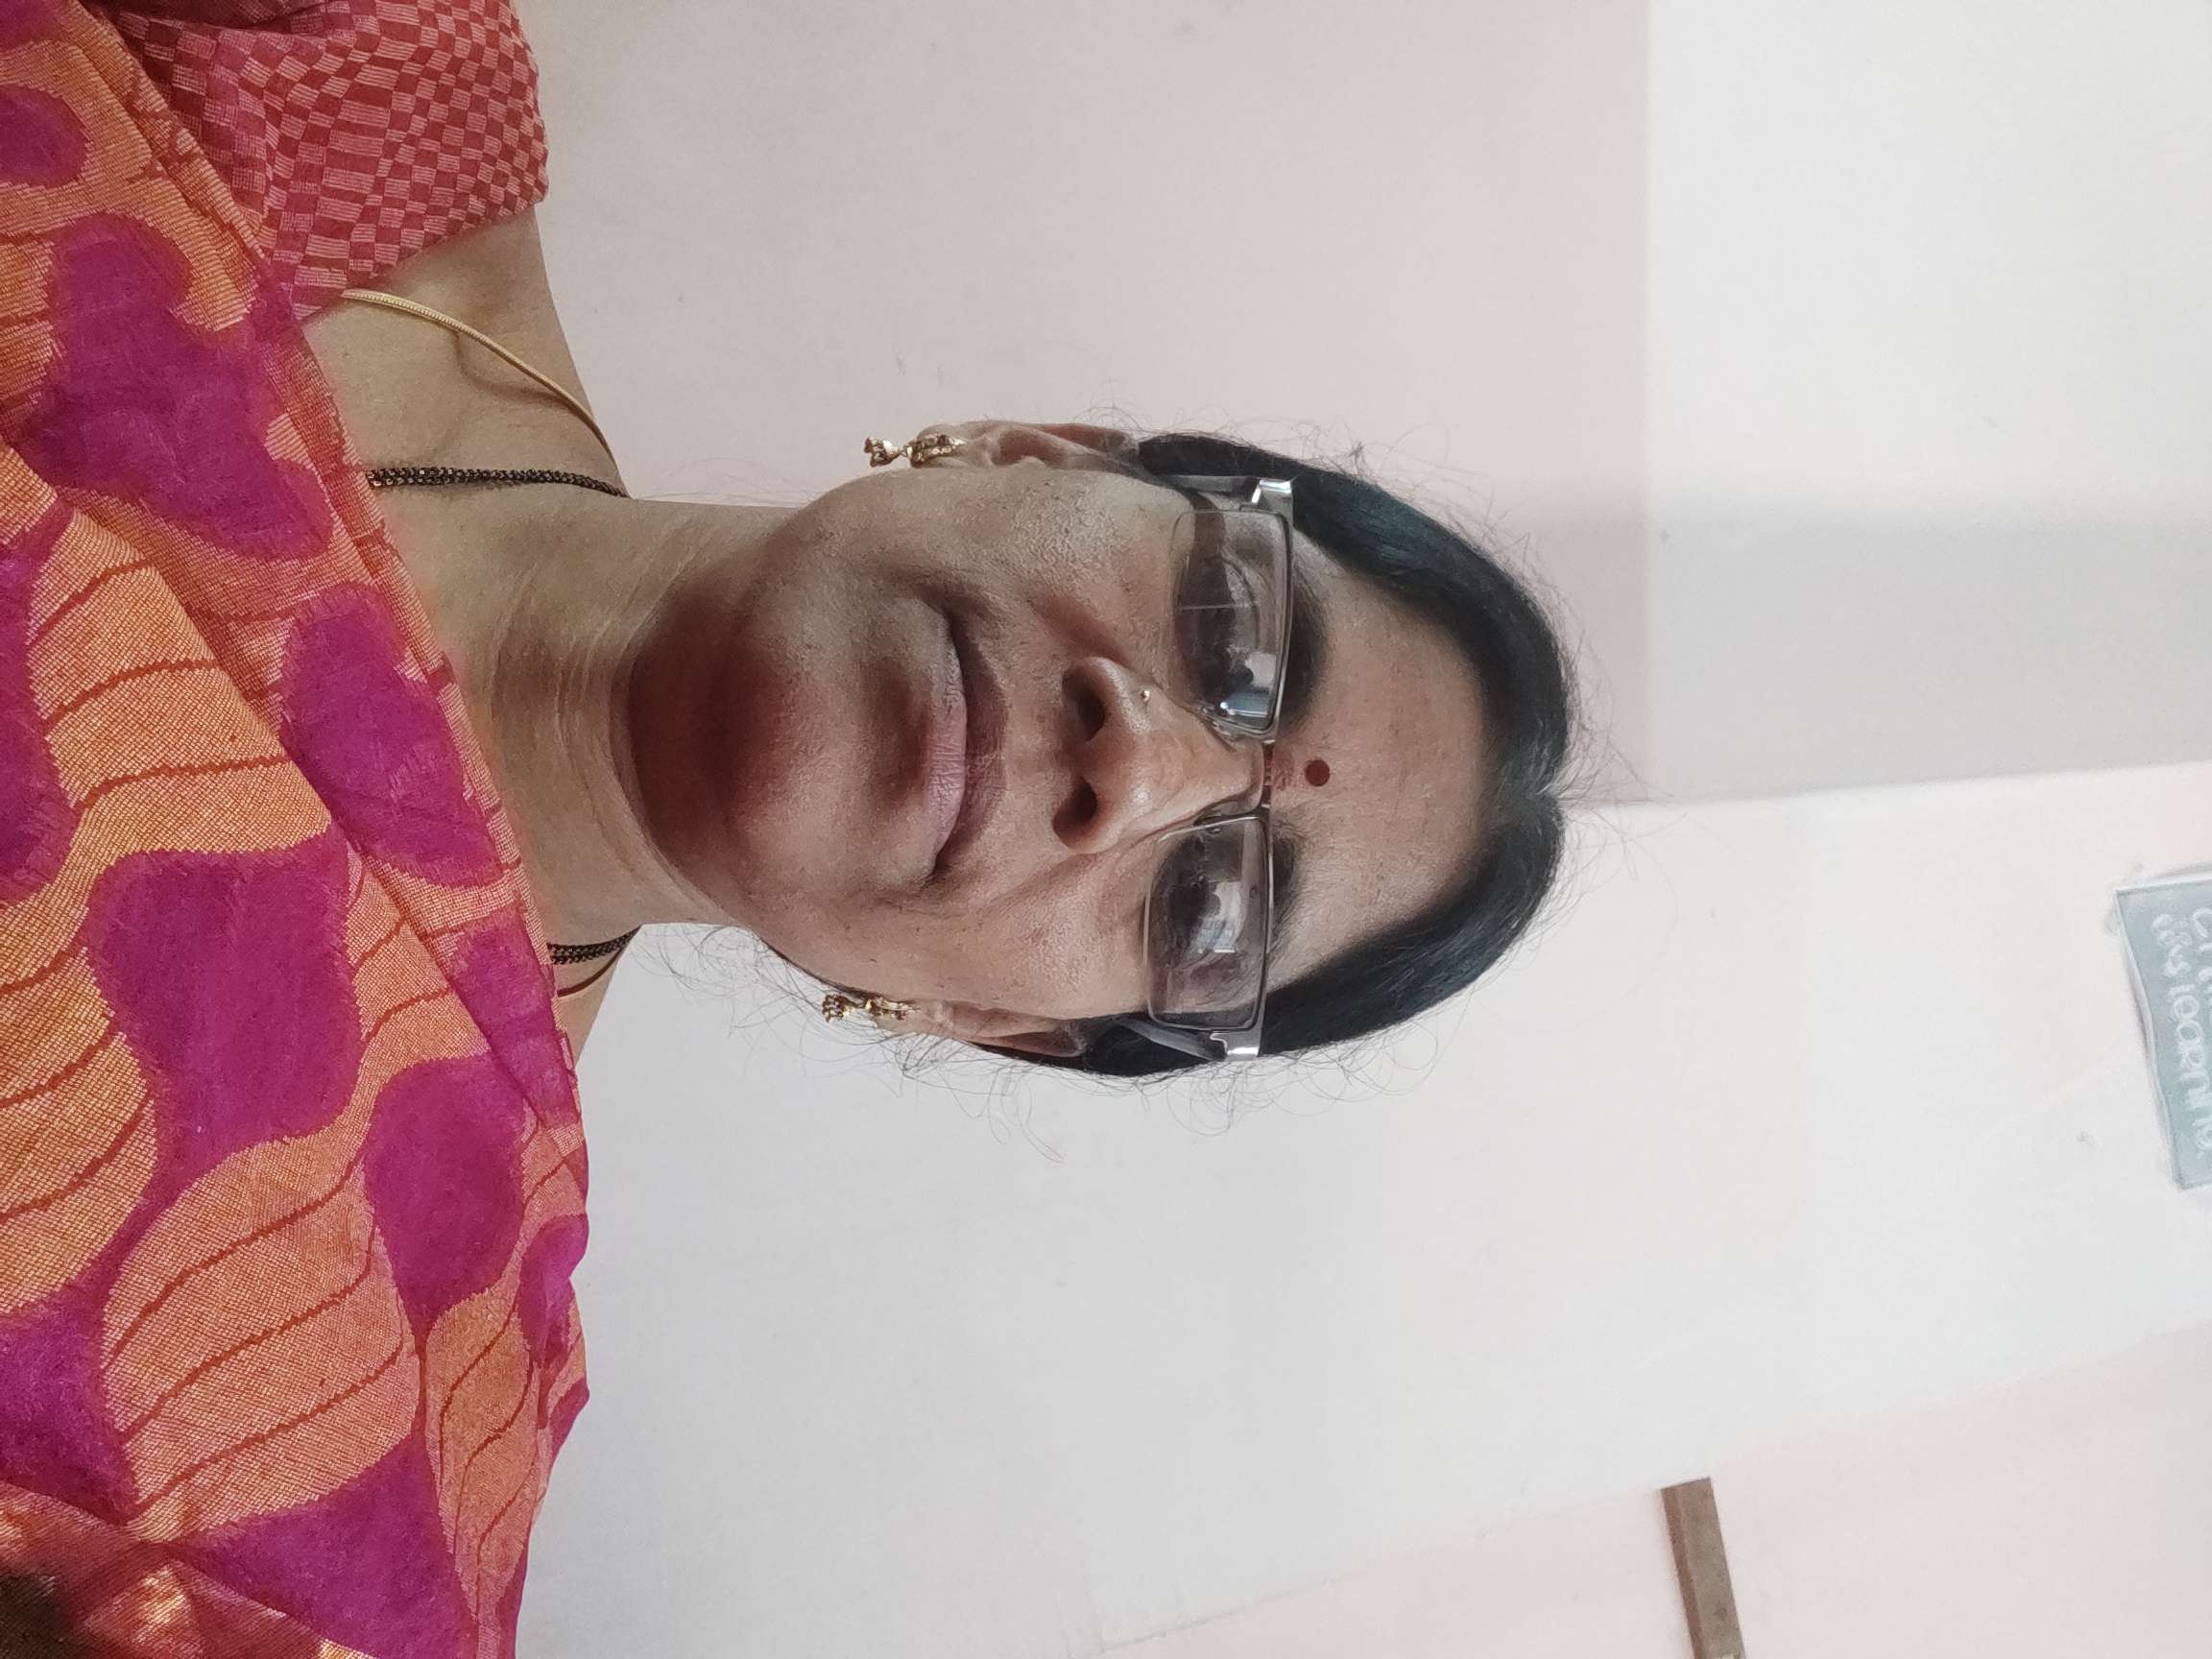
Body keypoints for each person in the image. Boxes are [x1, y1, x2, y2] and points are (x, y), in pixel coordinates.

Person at [0, 0, 1574, 1653]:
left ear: (994, 1021)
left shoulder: (369, 1388)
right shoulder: (340, 77)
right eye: (1236, 636)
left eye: (1208, 910)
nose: (1147, 767)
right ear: (1037, 452)